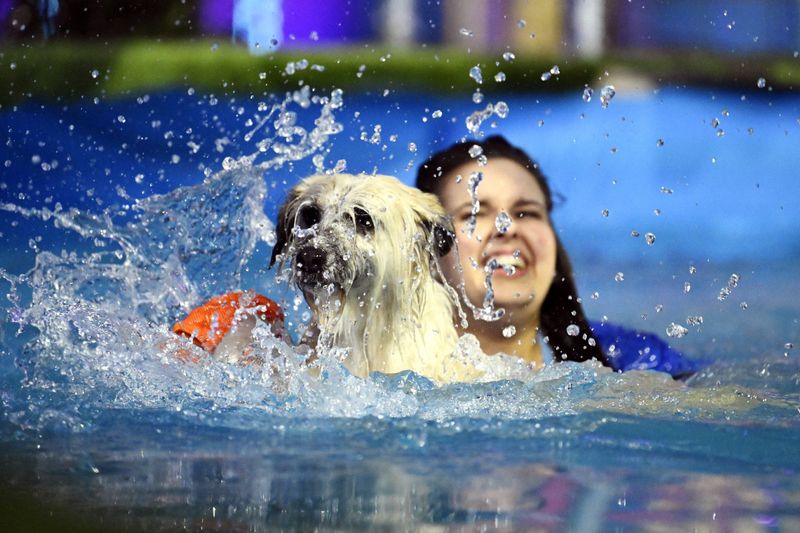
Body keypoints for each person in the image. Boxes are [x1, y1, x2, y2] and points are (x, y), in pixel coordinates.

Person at [416, 135, 697, 379]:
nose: (508, 227)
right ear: (426, 251)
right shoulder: (395, 375)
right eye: (474, 214)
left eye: (527, 213)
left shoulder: (630, 356)